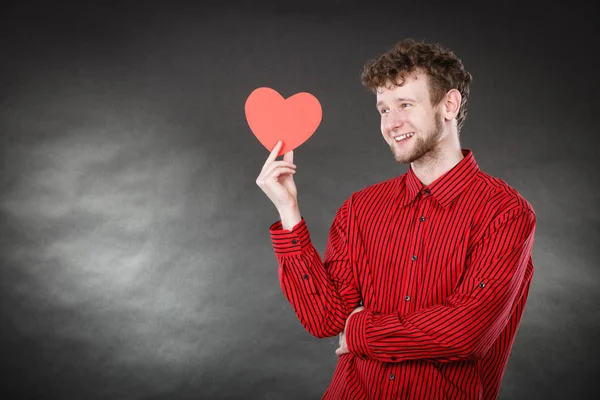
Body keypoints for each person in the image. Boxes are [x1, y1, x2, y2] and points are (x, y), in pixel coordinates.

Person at [255, 38, 537, 400]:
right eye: (384, 109)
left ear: (449, 104)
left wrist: (359, 330)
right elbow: (325, 319)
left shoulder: (505, 212)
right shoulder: (360, 209)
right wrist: (288, 211)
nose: (392, 123)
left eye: (405, 104)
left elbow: (465, 332)